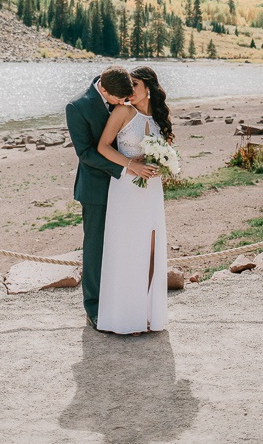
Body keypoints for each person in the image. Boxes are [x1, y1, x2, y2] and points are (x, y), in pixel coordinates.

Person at [66, 65, 157, 329]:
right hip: (97, 188)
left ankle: (126, 301)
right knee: (96, 249)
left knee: (126, 246)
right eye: (119, 100)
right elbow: (86, 153)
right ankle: (93, 308)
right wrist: (126, 165)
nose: (125, 103)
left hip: (130, 189)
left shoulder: (120, 86)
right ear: (104, 90)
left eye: (127, 97)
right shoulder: (77, 107)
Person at [96, 65, 174, 334]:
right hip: (126, 189)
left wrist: (164, 165)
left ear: (148, 88)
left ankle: (147, 313)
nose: (129, 91)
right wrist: (131, 165)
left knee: (151, 250)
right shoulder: (122, 112)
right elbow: (103, 147)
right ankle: (127, 318)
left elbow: (166, 151)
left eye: (135, 85)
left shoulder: (159, 117)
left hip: (152, 190)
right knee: (128, 250)